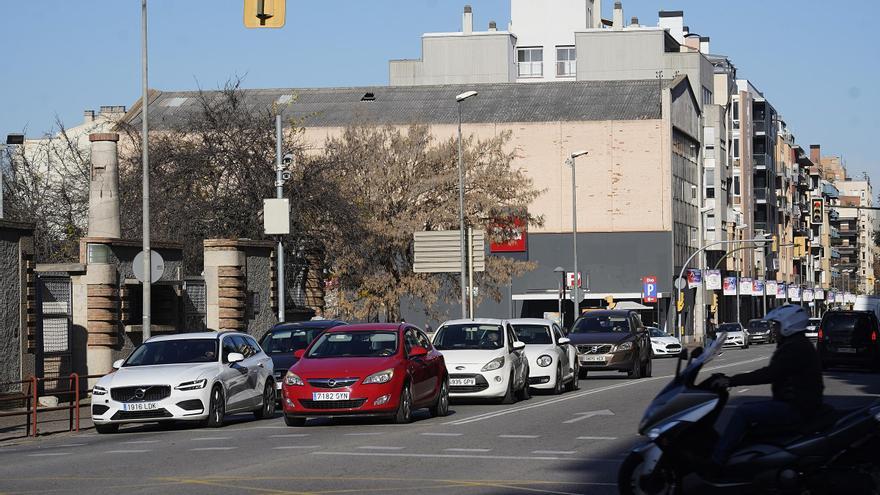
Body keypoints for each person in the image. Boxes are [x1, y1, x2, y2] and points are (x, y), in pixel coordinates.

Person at [706, 304, 824, 466]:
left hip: (796, 407)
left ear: (789, 325)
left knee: (743, 412)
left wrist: (731, 381)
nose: (774, 329)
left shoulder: (796, 347)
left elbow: (770, 373)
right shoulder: (796, 344)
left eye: (777, 325)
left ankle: (717, 460)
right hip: (797, 403)